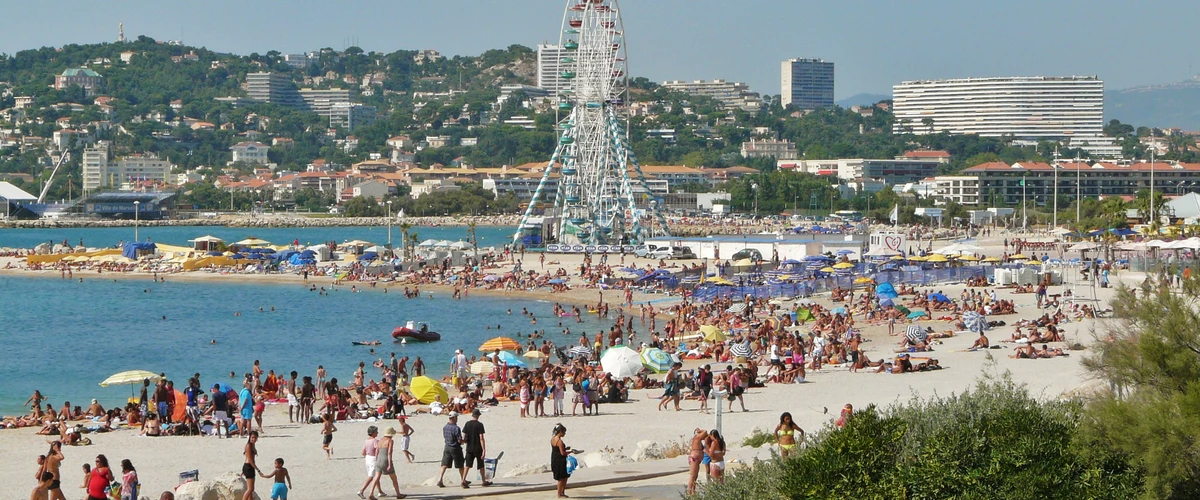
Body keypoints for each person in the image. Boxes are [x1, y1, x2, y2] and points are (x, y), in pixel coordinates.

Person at [363, 427, 404, 499]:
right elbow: (389, 453)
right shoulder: (390, 441)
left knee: (376, 478)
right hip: (385, 460)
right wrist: (389, 464)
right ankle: (398, 494)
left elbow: (377, 452)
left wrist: (376, 460)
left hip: (379, 460)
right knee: (394, 478)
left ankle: (371, 493)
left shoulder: (380, 440)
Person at [437, 413, 469, 489]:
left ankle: (440, 479)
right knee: (460, 465)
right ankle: (463, 480)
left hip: (447, 446)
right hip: (455, 448)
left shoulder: (445, 427)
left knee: (444, 464)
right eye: (456, 417)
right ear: (454, 418)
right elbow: (459, 440)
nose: (457, 419)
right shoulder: (456, 428)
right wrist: (464, 440)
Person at [462, 408, 492, 486]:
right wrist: (484, 449)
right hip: (478, 448)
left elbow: (464, 436)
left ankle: (463, 480)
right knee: (481, 465)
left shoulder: (467, 424)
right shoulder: (480, 425)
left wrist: (465, 441)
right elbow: (481, 438)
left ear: (472, 415)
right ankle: (483, 481)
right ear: (478, 416)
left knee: (467, 465)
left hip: (469, 448)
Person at [357, 427, 384, 499]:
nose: (377, 433)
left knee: (375, 475)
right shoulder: (375, 441)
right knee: (371, 476)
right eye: (376, 432)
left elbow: (363, 452)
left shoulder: (366, 441)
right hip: (373, 459)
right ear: (373, 433)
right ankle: (361, 490)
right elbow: (377, 450)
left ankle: (380, 491)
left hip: (367, 458)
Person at [550, 423, 573, 498]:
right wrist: (571, 452)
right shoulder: (559, 441)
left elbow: (557, 449)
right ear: (560, 432)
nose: (564, 434)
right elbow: (562, 453)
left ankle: (562, 493)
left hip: (554, 458)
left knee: (564, 477)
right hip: (560, 461)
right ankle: (560, 494)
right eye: (564, 432)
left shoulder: (553, 439)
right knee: (561, 478)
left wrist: (565, 448)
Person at [686, 428, 709, 495]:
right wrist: (700, 431)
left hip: (697, 459)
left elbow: (706, 435)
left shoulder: (699, 441)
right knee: (692, 476)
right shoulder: (696, 438)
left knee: (695, 476)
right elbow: (705, 432)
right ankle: (689, 492)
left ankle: (693, 491)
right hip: (694, 458)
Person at [242, 431, 261, 500]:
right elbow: (250, 460)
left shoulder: (252, 445)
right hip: (248, 467)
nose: (254, 439)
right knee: (250, 489)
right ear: (249, 437)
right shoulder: (248, 445)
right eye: (252, 437)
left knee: (251, 489)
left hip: (249, 467)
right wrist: (258, 470)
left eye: (255, 438)